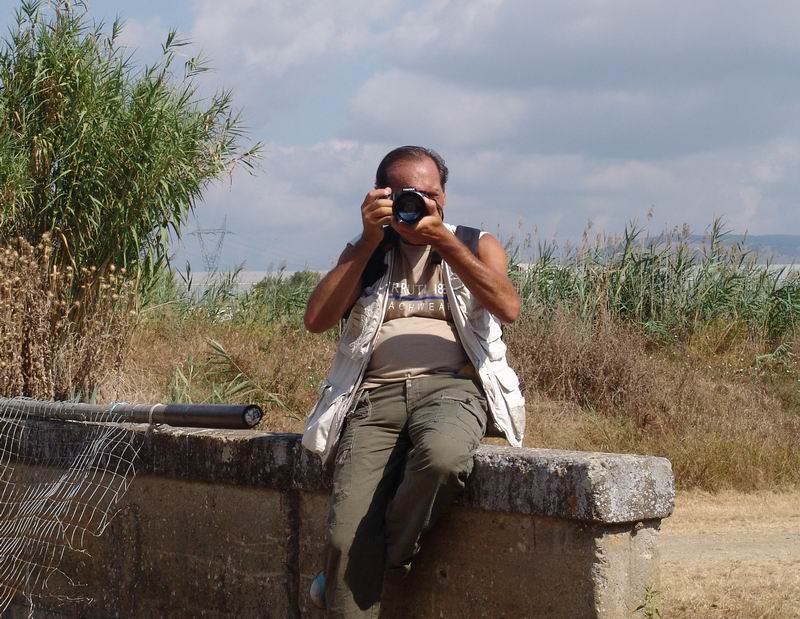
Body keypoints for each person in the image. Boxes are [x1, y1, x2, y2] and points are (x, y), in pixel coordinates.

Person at [302, 145, 526, 617]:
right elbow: (318, 319)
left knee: (442, 459)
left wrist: (444, 241)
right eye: (408, 195)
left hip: (454, 388)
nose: (420, 204)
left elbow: (507, 307)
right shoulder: (368, 251)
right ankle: (358, 567)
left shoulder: (473, 242)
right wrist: (365, 241)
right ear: (383, 196)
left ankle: (382, 555)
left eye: (430, 194)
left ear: (444, 196)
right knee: (343, 539)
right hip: (373, 396)